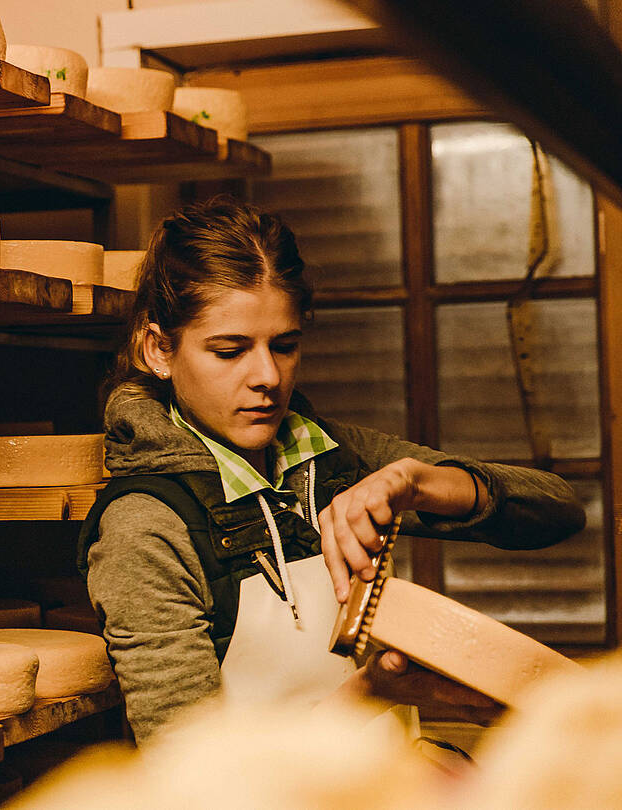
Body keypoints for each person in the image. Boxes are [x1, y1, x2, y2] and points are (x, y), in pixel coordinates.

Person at [77, 195, 586, 743]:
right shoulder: (146, 528)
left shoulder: (330, 458)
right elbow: (193, 778)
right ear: (158, 349)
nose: (267, 376)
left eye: (286, 345)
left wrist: (414, 480)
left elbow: (557, 510)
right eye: (230, 351)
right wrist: (373, 695)